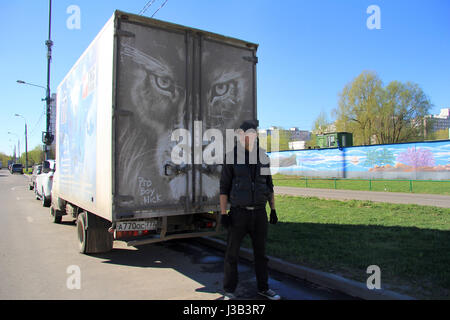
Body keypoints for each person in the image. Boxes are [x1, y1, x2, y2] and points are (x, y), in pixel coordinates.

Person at [219, 120, 280, 300]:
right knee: (232, 254)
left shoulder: (263, 157)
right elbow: (224, 188)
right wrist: (224, 214)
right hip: (239, 214)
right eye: (246, 135)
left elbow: (269, 186)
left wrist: (273, 210)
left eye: (252, 135)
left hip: (260, 213)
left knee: (261, 255)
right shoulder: (231, 157)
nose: (249, 138)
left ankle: (264, 288)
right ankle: (229, 291)